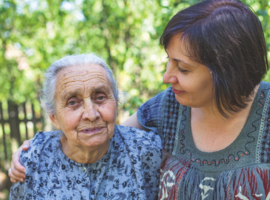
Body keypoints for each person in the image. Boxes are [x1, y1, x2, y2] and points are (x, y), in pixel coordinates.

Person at [9, 0, 270, 199]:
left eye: (183, 68)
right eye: (169, 61)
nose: (167, 77)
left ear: (227, 71)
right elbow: (100, 132)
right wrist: (37, 147)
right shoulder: (169, 106)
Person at [9, 54, 162, 200]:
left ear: (116, 102)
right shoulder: (32, 161)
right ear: (53, 117)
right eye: (73, 102)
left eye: (100, 97)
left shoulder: (147, 151)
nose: (91, 114)